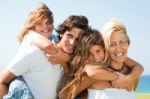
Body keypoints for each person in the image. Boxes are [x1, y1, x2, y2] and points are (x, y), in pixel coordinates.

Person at [0, 3, 89, 99]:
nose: (72, 43)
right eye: (69, 35)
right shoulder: (34, 52)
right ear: (62, 33)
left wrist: (66, 59)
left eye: (78, 39)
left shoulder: (75, 60)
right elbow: (2, 82)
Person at [59, 20, 143, 99]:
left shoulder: (132, 75)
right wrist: (117, 78)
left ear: (128, 43)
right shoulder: (95, 75)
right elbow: (64, 95)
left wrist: (128, 78)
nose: (118, 48)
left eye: (122, 42)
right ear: (106, 47)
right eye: (112, 44)